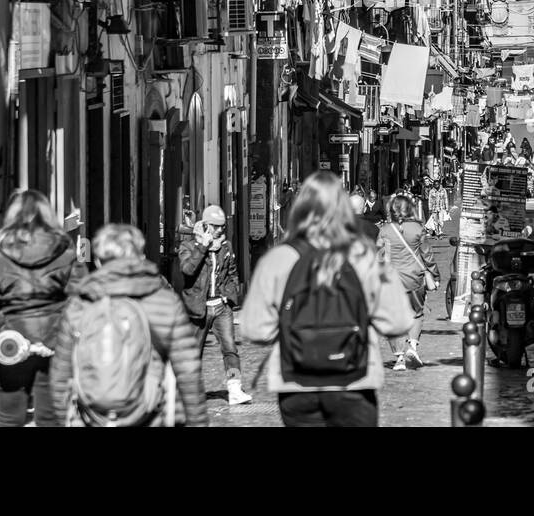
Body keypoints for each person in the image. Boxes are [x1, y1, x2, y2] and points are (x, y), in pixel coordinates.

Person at [239, 171, 414, 426]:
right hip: (355, 380)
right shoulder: (364, 256)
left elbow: (255, 329)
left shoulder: (277, 260)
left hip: (296, 382)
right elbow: (397, 322)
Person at [50, 224, 207, 427]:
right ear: (140, 256)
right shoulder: (164, 301)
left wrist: (64, 418)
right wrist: (197, 421)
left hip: (92, 416)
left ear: (98, 261)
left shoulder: (80, 304)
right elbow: (188, 371)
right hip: (151, 414)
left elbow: (61, 374)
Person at [0, 188, 86, 427]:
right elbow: (79, 301)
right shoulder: (65, 255)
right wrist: (53, 340)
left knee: (8, 418)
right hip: (53, 351)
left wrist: (6, 338)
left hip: (11, 349)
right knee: (49, 418)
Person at [177, 204, 251, 405]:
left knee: (230, 349)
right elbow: (188, 270)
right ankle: (188, 393)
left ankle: (235, 389)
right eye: (215, 226)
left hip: (221, 307)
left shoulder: (225, 246)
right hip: (198, 308)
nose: (220, 230)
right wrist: (203, 247)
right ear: (205, 225)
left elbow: (232, 272)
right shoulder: (189, 246)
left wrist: (230, 297)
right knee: (193, 353)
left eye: (222, 227)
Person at [377, 193, 441, 371]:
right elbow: (427, 254)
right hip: (414, 278)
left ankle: (399, 358)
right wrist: (435, 275)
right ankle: (412, 347)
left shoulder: (385, 231)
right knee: (416, 313)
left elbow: (379, 257)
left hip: (392, 280)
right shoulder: (418, 229)